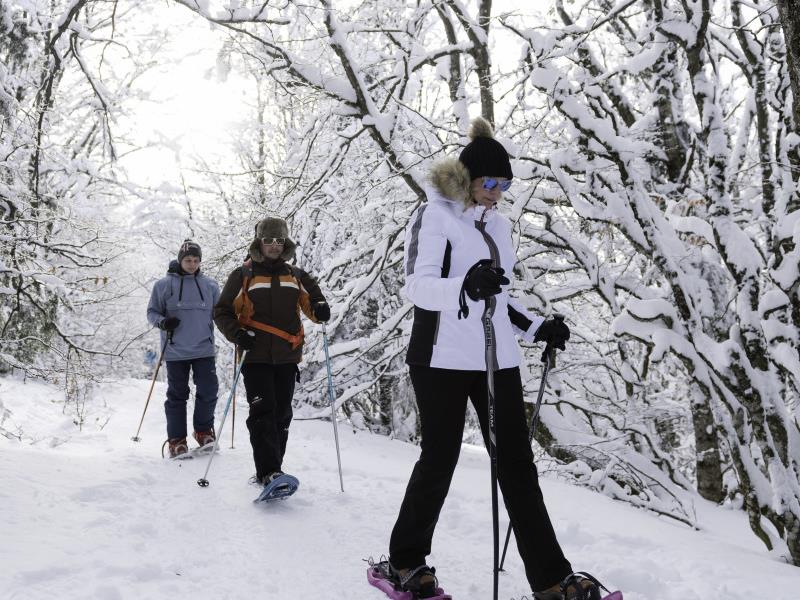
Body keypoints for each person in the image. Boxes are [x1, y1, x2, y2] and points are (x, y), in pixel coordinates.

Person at [381, 118, 594, 600]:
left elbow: (500, 295)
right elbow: (416, 286)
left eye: (505, 184)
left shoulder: (497, 225)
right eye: (489, 183)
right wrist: (464, 284)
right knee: (440, 457)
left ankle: (551, 579)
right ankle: (404, 562)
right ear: (466, 178)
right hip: (439, 356)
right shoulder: (435, 215)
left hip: (497, 358)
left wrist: (538, 326)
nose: (497, 193)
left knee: (518, 463)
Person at [213, 217, 330, 488]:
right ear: (259, 243)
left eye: (279, 241)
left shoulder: (296, 276)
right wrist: (237, 334)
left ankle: (274, 470)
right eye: (269, 241)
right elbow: (221, 311)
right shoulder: (243, 275)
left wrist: (321, 308)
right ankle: (269, 473)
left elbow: (315, 303)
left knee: (282, 415)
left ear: (285, 243)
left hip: (287, 356)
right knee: (263, 412)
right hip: (254, 356)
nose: (274, 246)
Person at [147, 240, 220, 458]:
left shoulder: (210, 286)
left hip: (204, 348)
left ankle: (203, 431)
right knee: (178, 395)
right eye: (188, 260)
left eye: (196, 260)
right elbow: (152, 312)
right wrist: (163, 322)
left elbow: (222, 313)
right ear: (180, 260)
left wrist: (237, 329)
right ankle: (176, 441)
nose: (192, 264)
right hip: (175, 350)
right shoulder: (163, 285)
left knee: (209, 390)